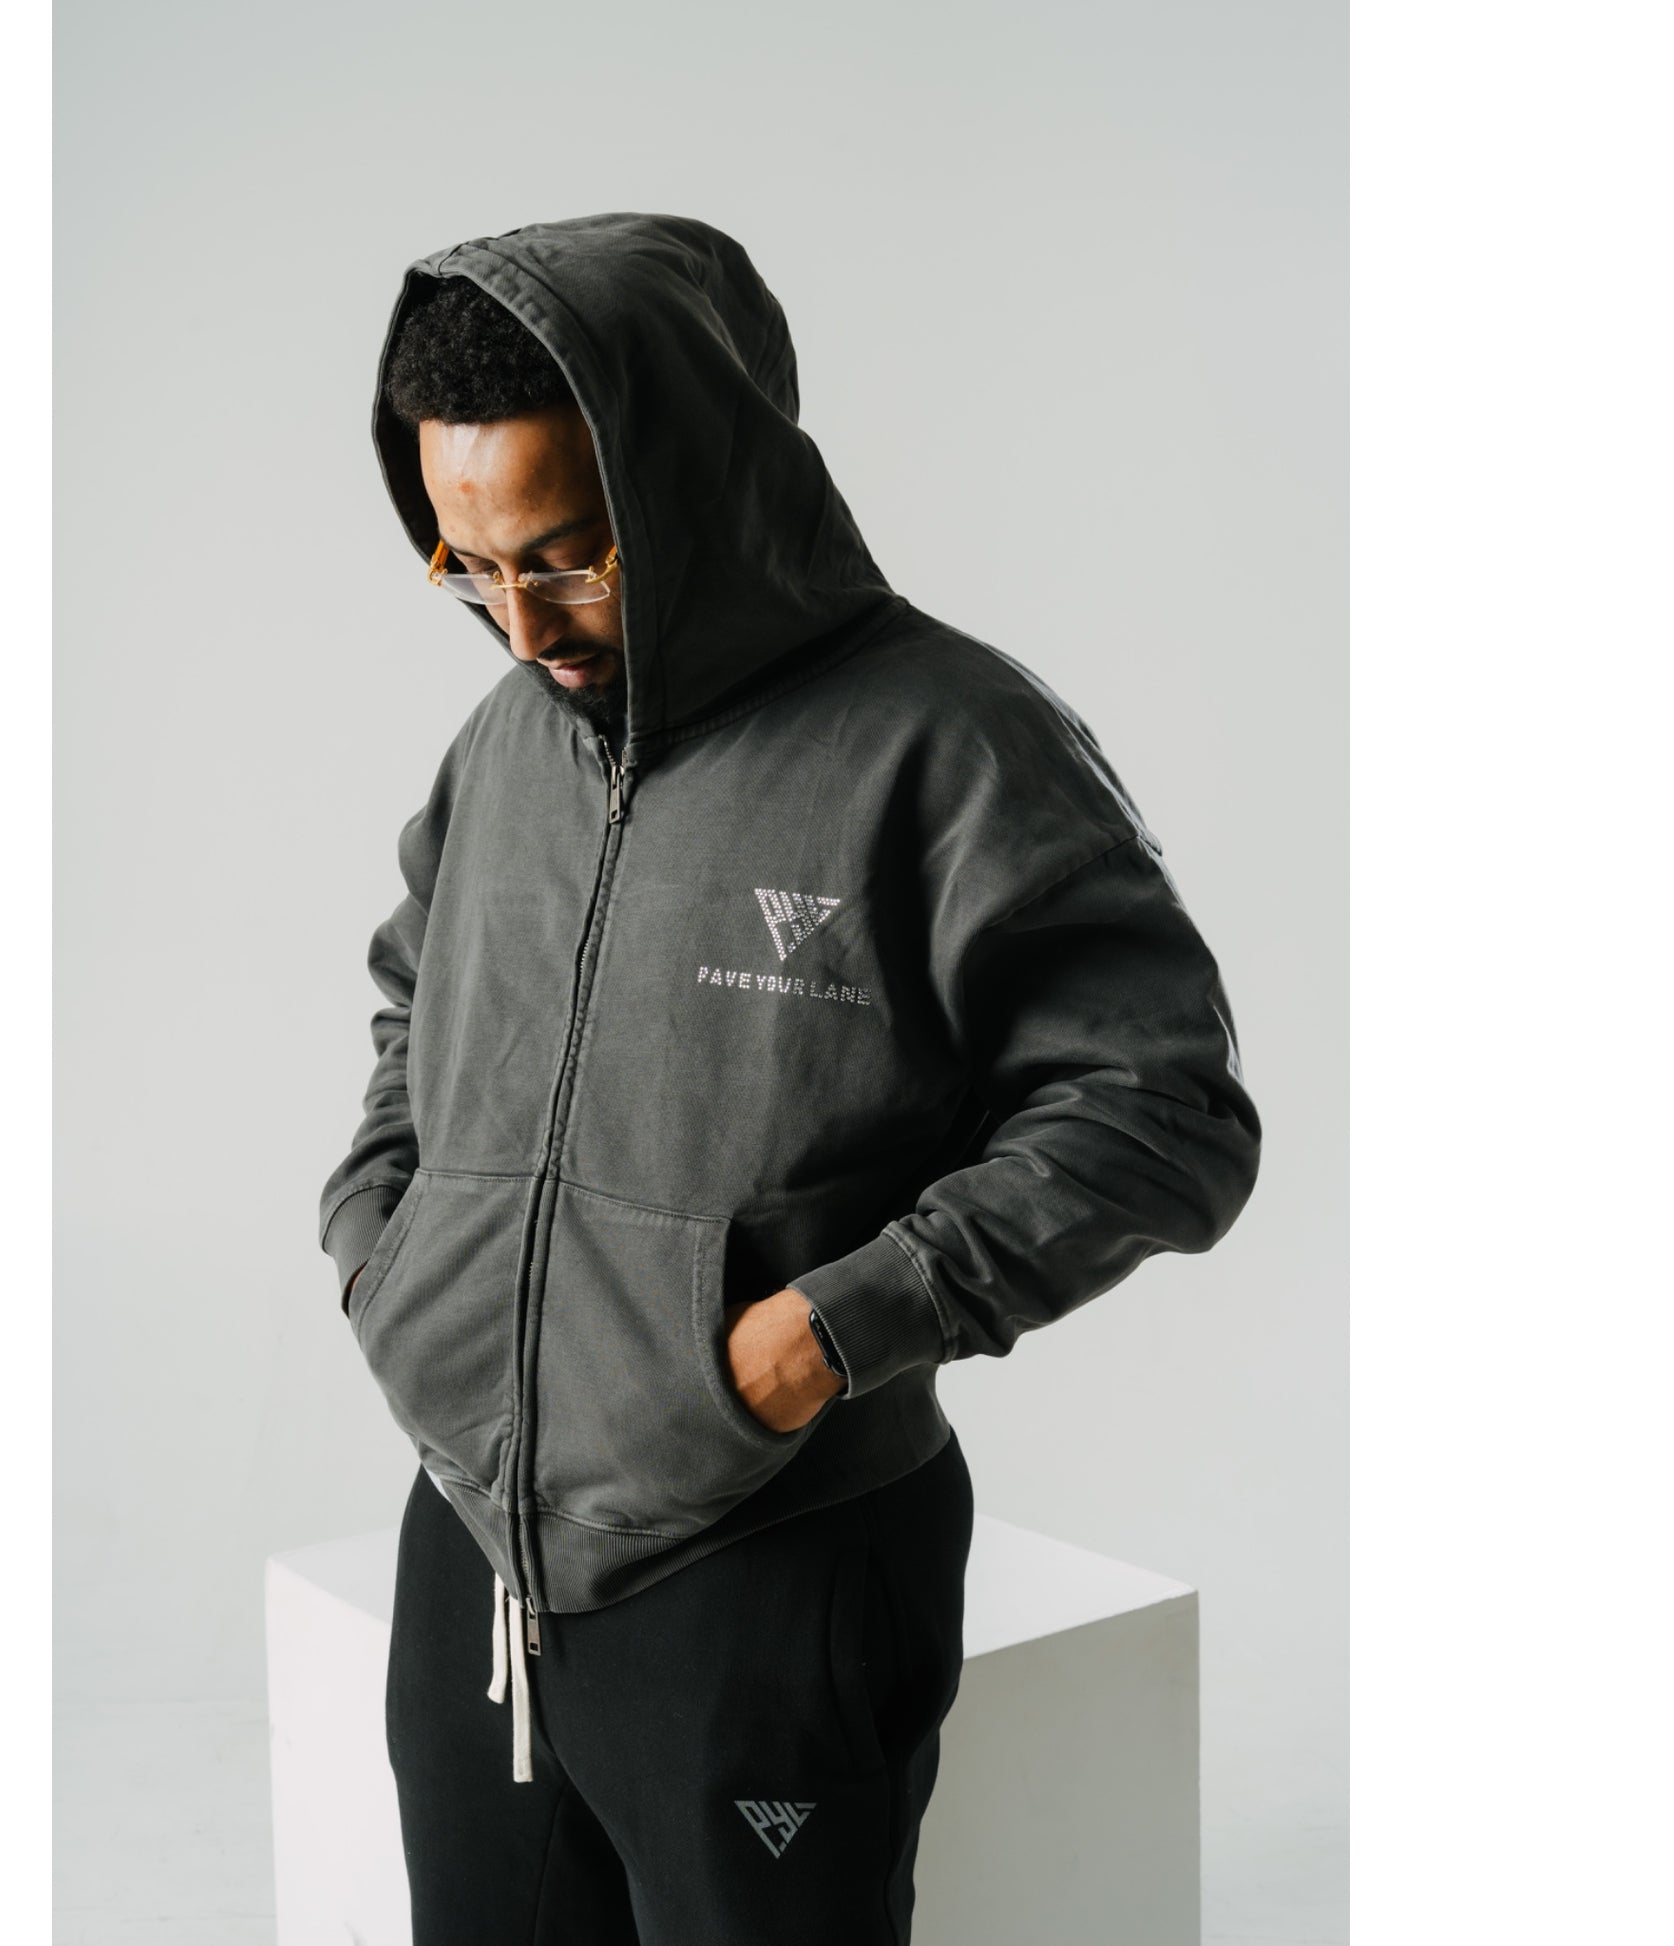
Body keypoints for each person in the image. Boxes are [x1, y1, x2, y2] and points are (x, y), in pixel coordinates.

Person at [318, 211, 1262, 1945]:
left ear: (691, 482)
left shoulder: (943, 740)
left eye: (569, 558)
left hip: (768, 1566)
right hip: (471, 1546)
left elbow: (1157, 1112)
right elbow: (412, 998)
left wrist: (821, 1334)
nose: (522, 624)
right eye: (470, 566)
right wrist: (383, 1249)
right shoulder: (511, 738)